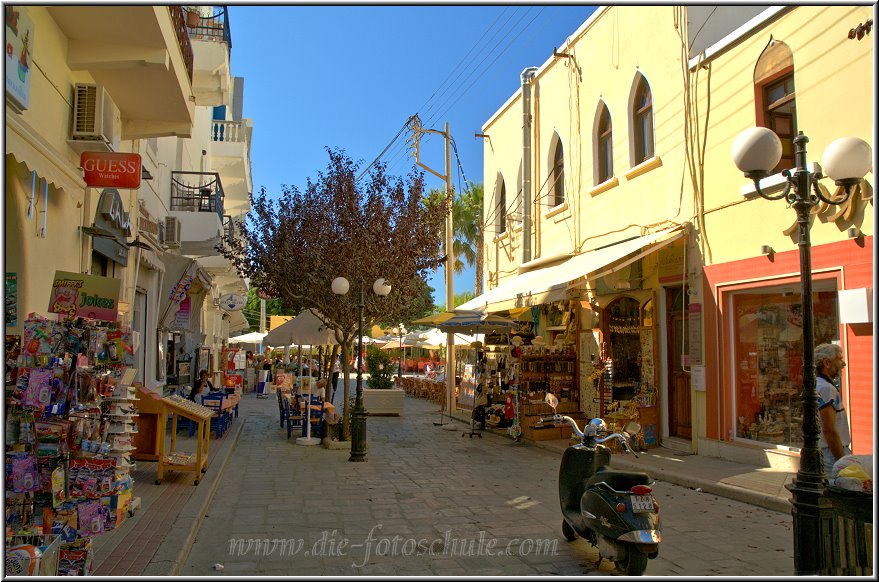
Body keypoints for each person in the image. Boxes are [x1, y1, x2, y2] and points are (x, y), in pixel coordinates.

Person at [814, 343, 851, 474]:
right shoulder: (826, 388)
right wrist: (844, 462)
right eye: (839, 359)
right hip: (832, 453)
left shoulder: (819, 384)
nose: (843, 364)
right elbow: (829, 431)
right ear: (827, 363)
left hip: (828, 452)